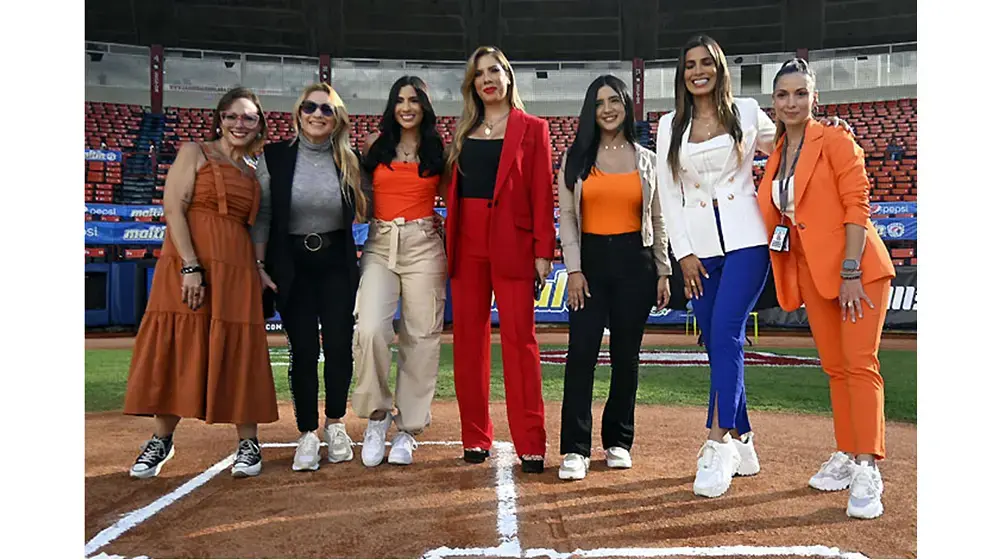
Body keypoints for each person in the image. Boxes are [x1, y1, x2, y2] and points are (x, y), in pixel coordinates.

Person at [655, 35, 851, 498]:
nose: (697, 70)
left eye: (706, 63)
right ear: (682, 74)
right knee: (715, 340)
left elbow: (790, 142)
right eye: (689, 64)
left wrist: (830, 130)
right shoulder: (668, 125)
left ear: (720, 68)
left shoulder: (745, 110)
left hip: (748, 241)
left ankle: (717, 443)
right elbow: (668, 195)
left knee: (725, 332)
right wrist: (681, 254)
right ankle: (744, 439)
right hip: (696, 253)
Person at [758, 58, 895, 519]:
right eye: (783, 94)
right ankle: (845, 451)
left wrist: (852, 270)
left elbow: (858, 204)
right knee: (836, 369)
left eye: (800, 93)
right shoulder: (777, 153)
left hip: (857, 271)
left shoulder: (836, 139)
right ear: (773, 102)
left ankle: (866, 464)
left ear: (815, 98)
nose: (792, 102)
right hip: (815, 274)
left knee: (860, 365)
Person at [124, 87, 277, 479]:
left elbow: (257, 224)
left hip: (238, 265)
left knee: (239, 348)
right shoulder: (195, 152)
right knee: (180, 344)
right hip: (189, 259)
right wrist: (190, 266)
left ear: (259, 124)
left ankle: (248, 442)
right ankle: (161, 440)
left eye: (248, 117)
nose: (239, 123)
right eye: (232, 115)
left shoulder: (254, 169)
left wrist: (258, 266)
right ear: (219, 118)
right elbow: (173, 207)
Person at [444, 46, 556, 474]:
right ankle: (475, 436)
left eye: (494, 70)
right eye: (478, 74)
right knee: (468, 346)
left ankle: (530, 442)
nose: (487, 79)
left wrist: (544, 251)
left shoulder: (533, 129)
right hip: (467, 243)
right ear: (472, 85)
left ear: (508, 77)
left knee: (520, 344)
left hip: (513, 242)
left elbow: (542, 193)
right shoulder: (462, 132)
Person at [555, 75, 671, 481]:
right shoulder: (575, 159)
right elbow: (567, 219)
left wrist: (663, 269)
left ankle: (618, 441)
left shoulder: (648, 159)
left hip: (635, 263)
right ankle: (575, 448)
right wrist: (573, 270)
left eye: (615, 100)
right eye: (600, 102)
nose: (608, 108)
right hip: (588, 263)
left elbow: (658, 219)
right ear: (591, 109)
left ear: (626, 105)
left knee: (626, 357)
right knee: (581, 355)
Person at [252, 83, 368, 472]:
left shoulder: (350, 159)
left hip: (336, 260)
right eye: (310, 107)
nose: (318, 114)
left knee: (338, 345)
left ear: (338, 119)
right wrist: (259, 266)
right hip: (292, 264)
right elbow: (264, 216)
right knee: (301, 350)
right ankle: (306, 431)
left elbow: (368, 209)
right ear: (298, 112)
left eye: (327, 109)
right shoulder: (274, 157)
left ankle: (335, 423)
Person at [352, 76, 447, 467]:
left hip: (425, 241)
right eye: (400, 100)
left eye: (414, 100)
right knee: (370, 327)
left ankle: (408, 429)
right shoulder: (375, 146)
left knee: (421, 337)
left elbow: (456, 194)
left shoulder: (439, 148)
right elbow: (359, 198)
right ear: (391, 106)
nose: (407, 107)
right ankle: (376, 418)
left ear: (424, 106)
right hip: (379, 242)